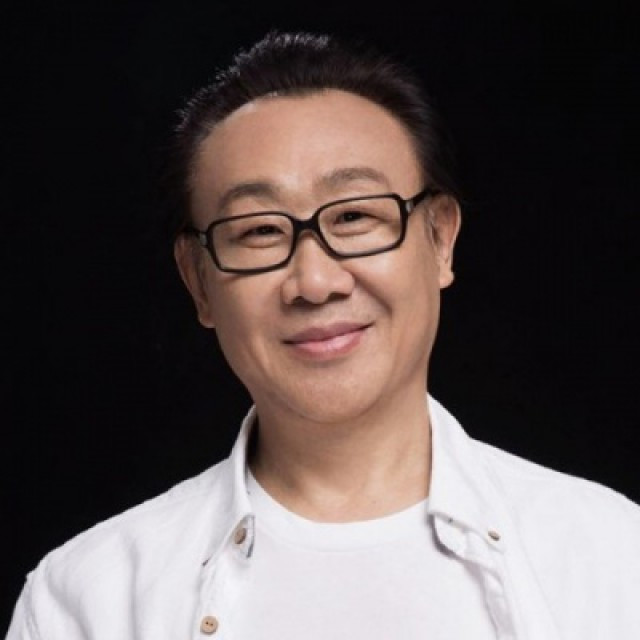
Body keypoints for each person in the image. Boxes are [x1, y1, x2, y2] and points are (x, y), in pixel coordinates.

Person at [6, 30, 640, 640]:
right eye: (259, 231)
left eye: (355, 216)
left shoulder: (610, 556)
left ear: (441, 240)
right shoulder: (89, 599)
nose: (314, 281)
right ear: (198, 281)